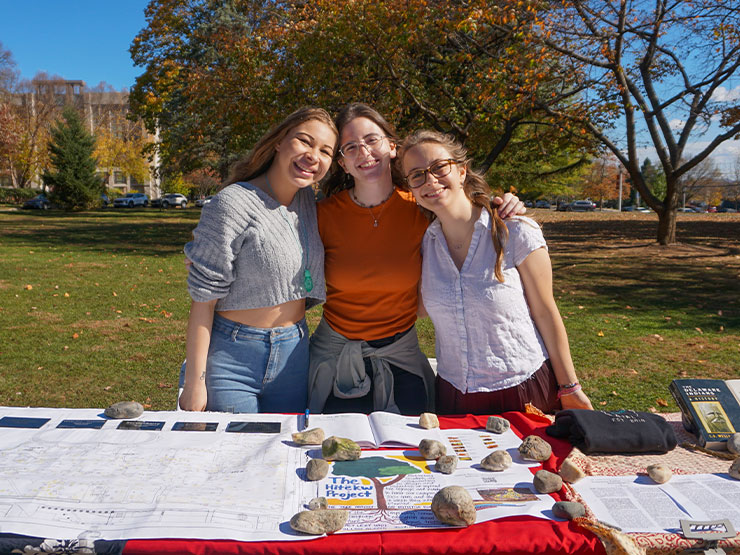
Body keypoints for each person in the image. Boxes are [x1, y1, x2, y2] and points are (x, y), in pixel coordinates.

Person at [307, 104, 524, 415]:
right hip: (335, 357)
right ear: (342, 163)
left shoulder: (422, 209)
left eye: (372, 140)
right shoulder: (323, 216)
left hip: (401, 354)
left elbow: (465, 212)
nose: (364, 152)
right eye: (351, 147)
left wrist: (503, 205)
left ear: (392, 147)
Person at [399, 130, 593, 414]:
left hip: (523, 390)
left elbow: (545, 312)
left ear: (462, 171)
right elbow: (416, 308)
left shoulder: (514, 230)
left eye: (439, 167)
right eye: (416, 175)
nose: (430, 180)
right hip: (454, 396)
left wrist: (570, 387)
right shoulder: (425, 245)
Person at [179, 107, 337, 413]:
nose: (313, 155)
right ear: (279, 142)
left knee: (283, 453)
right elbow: (203, 302)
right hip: (232, 359)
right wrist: (195, 384)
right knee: (233, 455)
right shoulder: (232, 203)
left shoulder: (308, 201)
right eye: (305, 141)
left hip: (295, 354)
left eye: (325, 150)